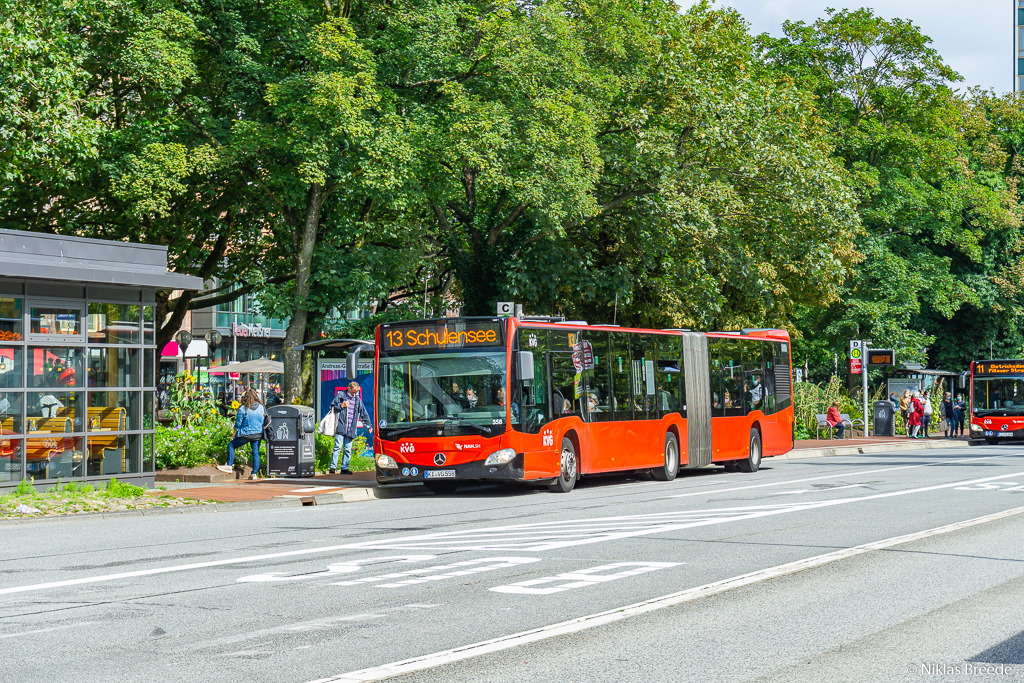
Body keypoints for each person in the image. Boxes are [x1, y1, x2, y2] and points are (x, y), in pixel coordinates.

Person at [220, 389, 265, 478]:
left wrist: (235, 432)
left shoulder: (243, 408)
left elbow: (238, 422)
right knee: (255, 453)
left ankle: (229, 465)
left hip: (246, 433)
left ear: (245, 398)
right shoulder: (261, 407)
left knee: (231, 445)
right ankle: (254, 473)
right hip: (258, 433)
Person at [328, 381, 370, 475]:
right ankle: (333, 467)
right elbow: (331, 407)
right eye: (353, 392)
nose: (354, 394)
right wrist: (341, 406)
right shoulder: (341, 396)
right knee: (337, 447)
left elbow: (363, 413)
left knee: (347, 448)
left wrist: (368, 425)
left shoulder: (357, 400)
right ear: (349, 388)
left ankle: (345, 467)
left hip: (351, 428)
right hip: (341, 426)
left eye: (356, 392)